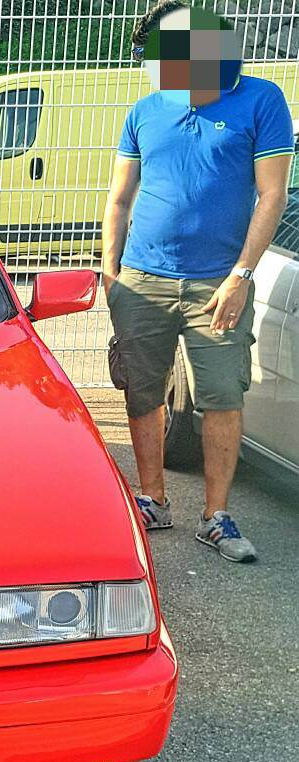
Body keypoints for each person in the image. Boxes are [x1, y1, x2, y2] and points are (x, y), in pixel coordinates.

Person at [102, 1, 294, 562]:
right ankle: (152, 500)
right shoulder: (145, 110)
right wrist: (112, 273)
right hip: (143, 277)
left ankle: (216, 516)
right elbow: (119, 198)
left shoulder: (261, 100)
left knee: (221, 396)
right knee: (142, 389)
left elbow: (273, 195)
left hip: (219, 282)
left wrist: (241, 277)